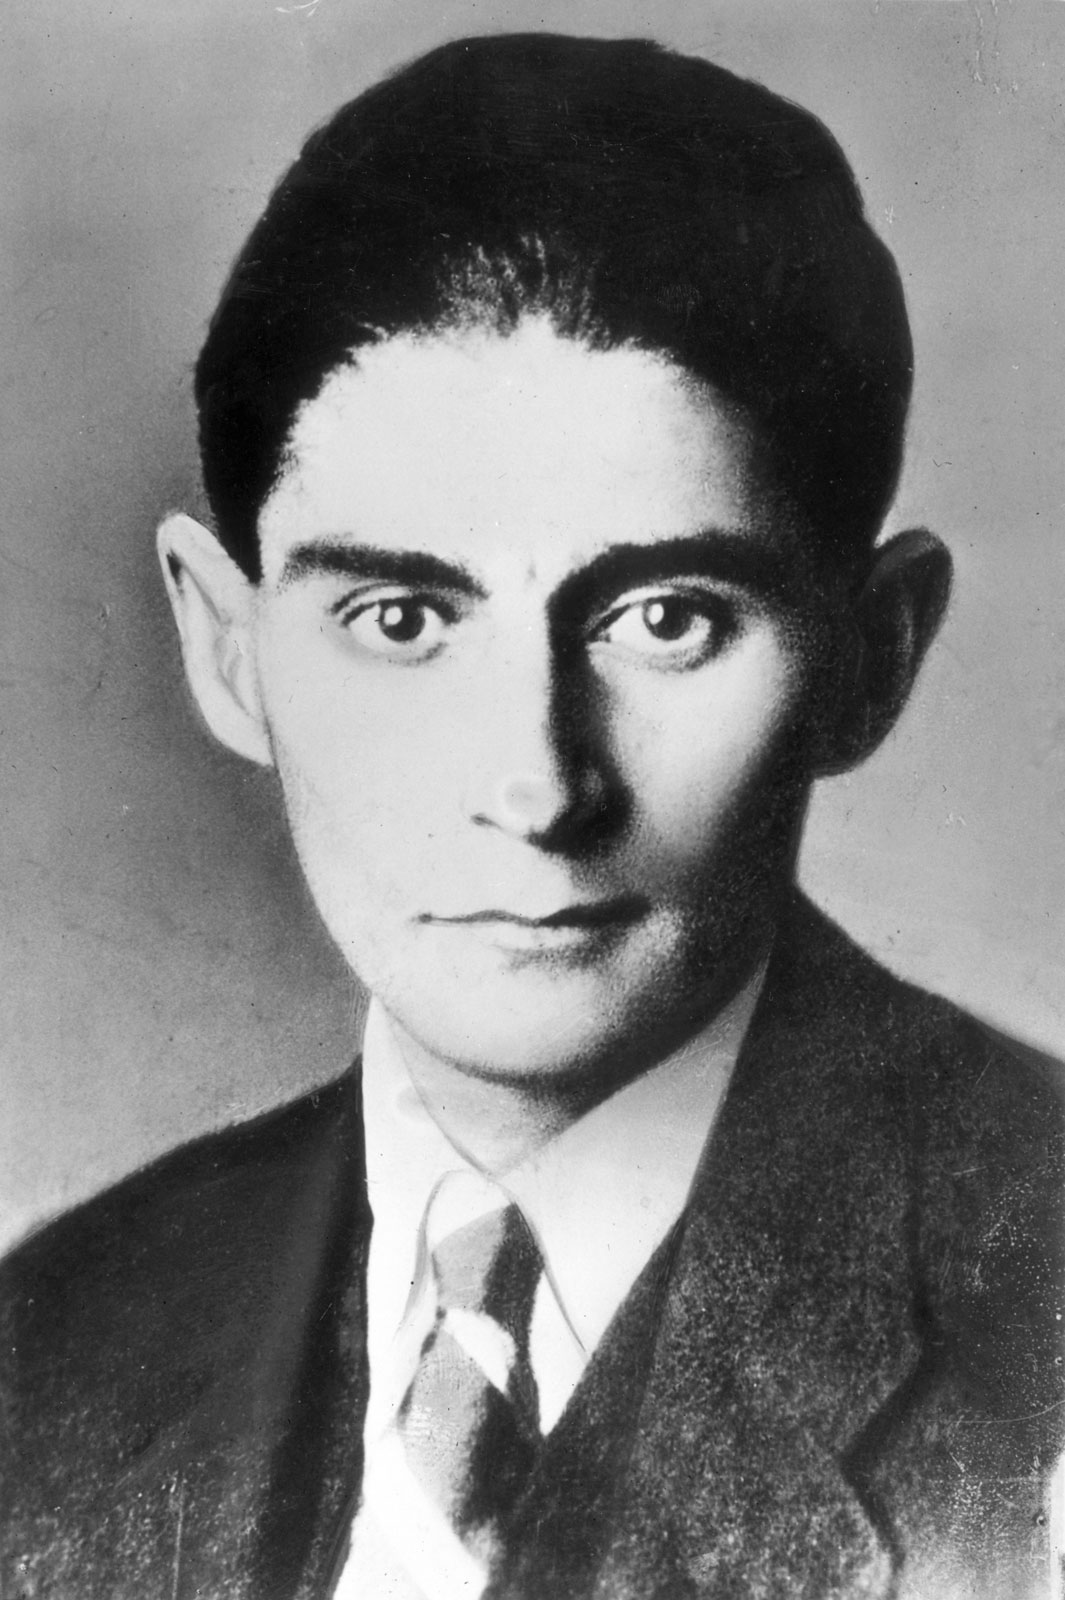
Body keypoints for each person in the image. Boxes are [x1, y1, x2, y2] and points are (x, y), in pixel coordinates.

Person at [1, 31, 1061, 1600]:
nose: (538, 786)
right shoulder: (47, 1352)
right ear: (227, 653)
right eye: (400, 622)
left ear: (871, 657)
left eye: (666, 620)